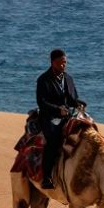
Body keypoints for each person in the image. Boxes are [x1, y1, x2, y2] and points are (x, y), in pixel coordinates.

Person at [35, 49, 85, 190]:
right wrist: (58, 110)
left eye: (65, 62)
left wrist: (78, 103)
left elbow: (72, 99)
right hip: (49, 117)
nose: (64, 65)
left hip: (66, 116)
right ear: (53, 62)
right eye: (61, 63)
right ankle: (47, 177)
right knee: (53, 141)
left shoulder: (68, 78)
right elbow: (42, 102)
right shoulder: (43, 80)